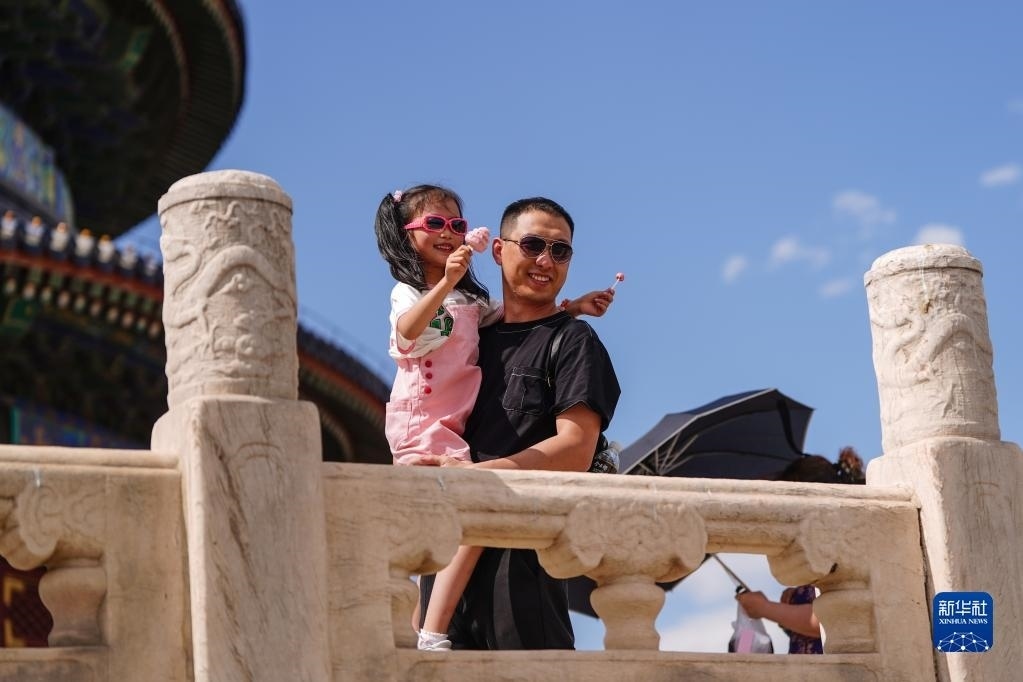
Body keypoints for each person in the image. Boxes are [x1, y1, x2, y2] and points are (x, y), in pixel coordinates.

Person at [374, 186, 614, 650]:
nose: (545, 260)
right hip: (443, 574)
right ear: (499, 251)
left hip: (520, 586)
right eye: (533, 244)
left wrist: (476, 478)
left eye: (560, 251)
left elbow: (576, 448)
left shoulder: (571, 341)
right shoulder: (473, 332)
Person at [735, 447, 866, 654]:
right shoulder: (820, 551)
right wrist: (787, 608)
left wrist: (765, 608)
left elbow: (826, 620)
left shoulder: (839, 548)